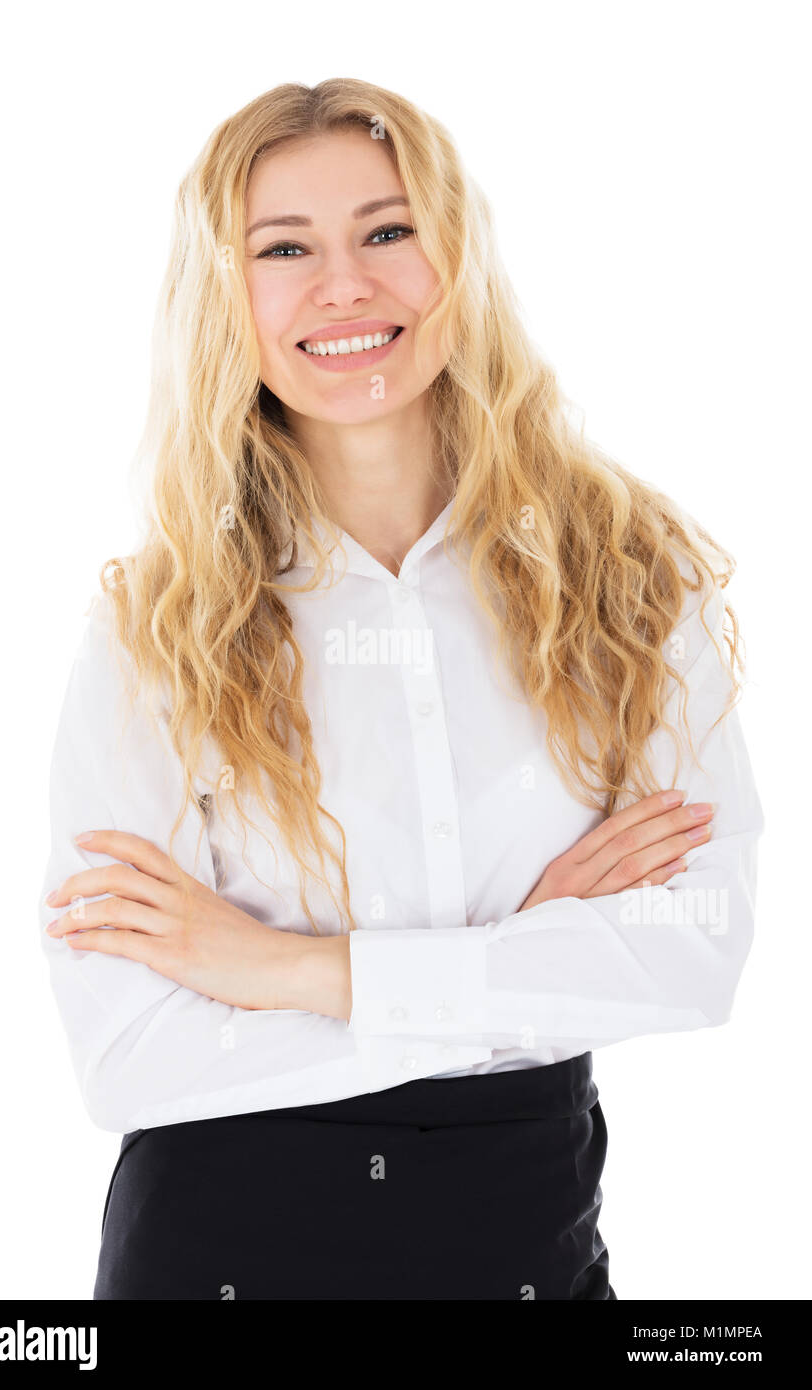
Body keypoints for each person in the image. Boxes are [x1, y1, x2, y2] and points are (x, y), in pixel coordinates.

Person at [39, 78, 764, 1301]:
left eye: (387, 230)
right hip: (216, 1261)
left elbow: (691, 955)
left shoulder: (631, 578)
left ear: (456, 255)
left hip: (525, 1247)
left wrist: (278, 968)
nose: (345, 284)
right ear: (230, 295)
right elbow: (131, 1054)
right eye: (284, 248)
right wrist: (521, 956)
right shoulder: (151, 629)